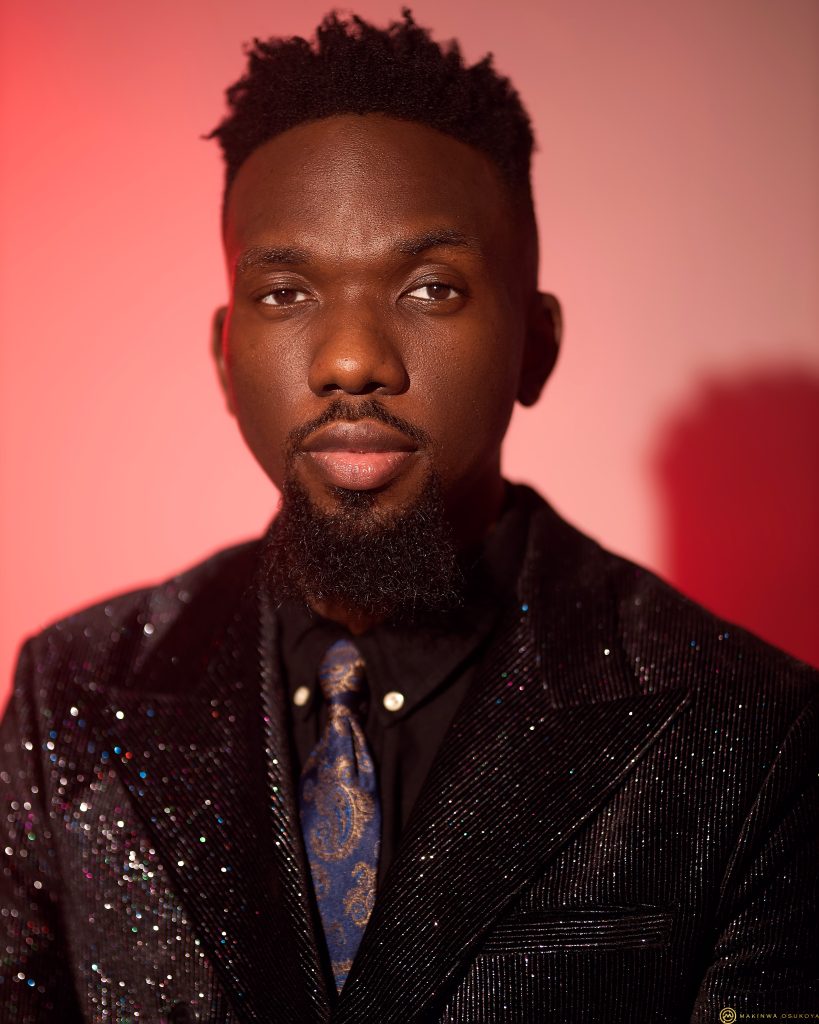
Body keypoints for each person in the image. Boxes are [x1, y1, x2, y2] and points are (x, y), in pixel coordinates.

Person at [1, 11, 816, 1023]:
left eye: (431, 288)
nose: (351, 360)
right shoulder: (74, 693)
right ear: (223, 355)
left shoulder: (750, 730)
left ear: (535, 346)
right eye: (284, 292)